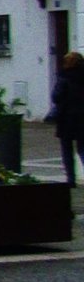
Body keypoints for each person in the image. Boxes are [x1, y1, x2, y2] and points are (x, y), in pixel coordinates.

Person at [52, 50, 84, 187]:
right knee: (82, 148)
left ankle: (71, 179)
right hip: (82, 117)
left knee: (67, 149)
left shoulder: (64, 77)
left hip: (66, 118)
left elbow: (56, 96)